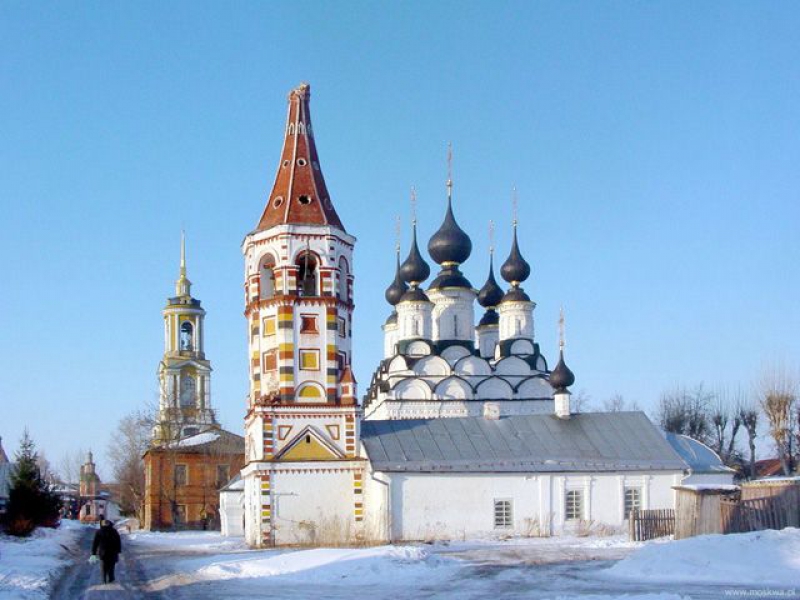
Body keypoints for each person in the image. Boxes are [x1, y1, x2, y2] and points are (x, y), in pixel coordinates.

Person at [91, 519, 122, 584]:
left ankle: (104, 578)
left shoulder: (99, 532)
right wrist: (119, 550)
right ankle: (111, 578)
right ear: (110, 524)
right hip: (113, 552)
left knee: (104, 565)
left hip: (103, 552)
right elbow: (118, 541)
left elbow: (95, 543)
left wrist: (93, 553)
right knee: (111, 565)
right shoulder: (114, 531)